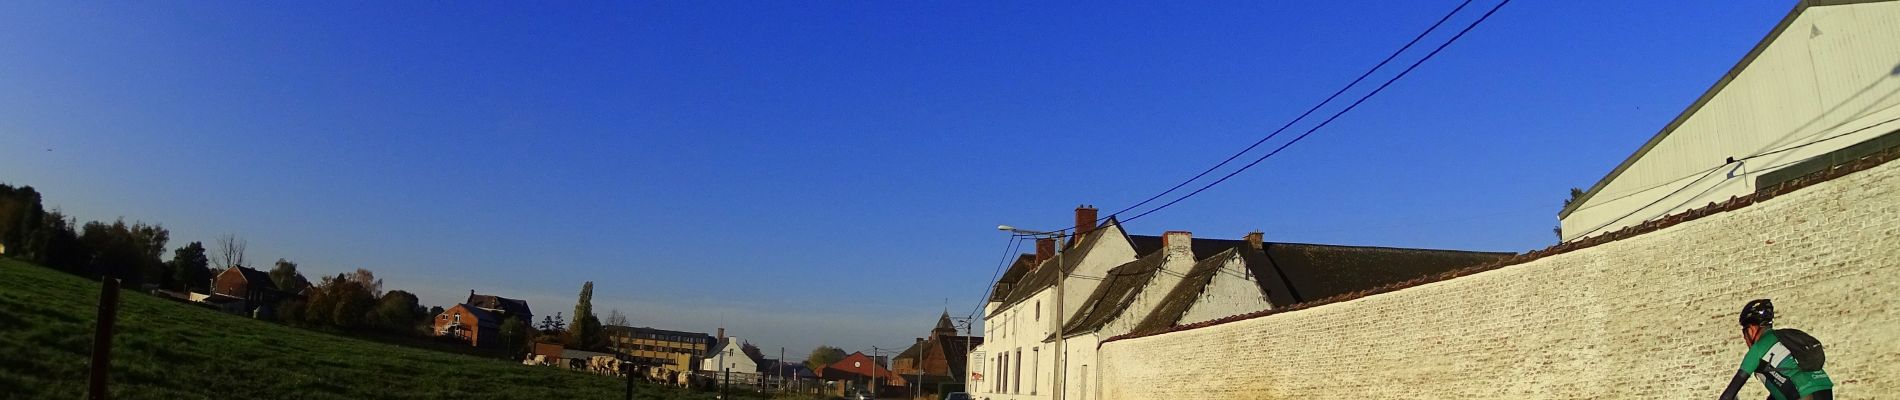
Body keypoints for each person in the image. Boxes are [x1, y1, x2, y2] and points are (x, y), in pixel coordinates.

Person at [1719, 299, 1834, 400]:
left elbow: (1728, 395)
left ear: (1752, 329)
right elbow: (1782, 384)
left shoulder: (1757, 349)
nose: (1744, 338)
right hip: (1824, 387)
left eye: (1744, 331)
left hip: (1803, 392)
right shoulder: (1782, 339)